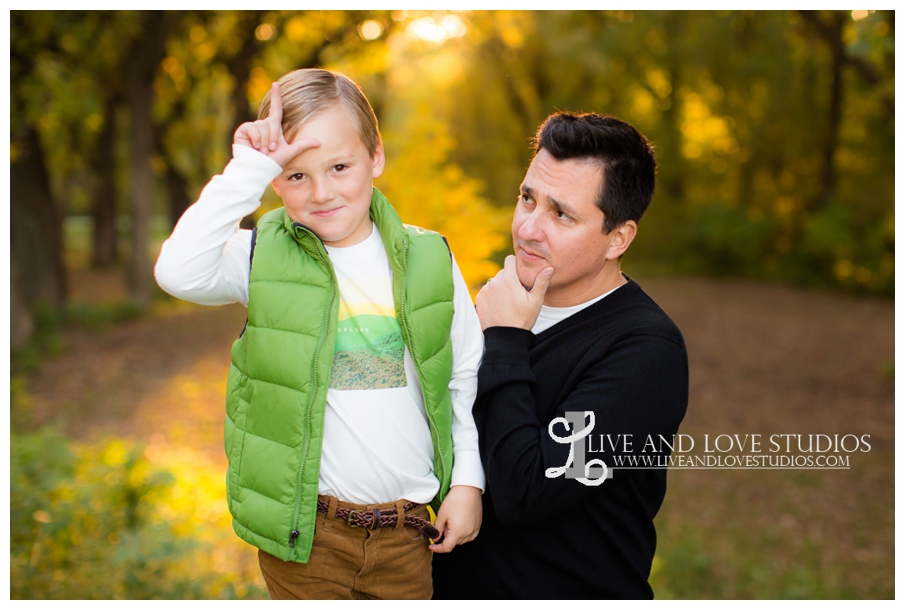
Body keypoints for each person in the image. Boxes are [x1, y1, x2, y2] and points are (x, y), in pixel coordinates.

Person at [154, 68, 484, 600]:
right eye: (295, 175)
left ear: (375, 156)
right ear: (274, 181)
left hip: (406, 535)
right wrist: (249, 169)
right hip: (307, 538)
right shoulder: (262, 254)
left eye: (339, 166)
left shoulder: (430, 258)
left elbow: (462, 375)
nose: (321, 192)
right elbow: (177, 271)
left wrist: (468, 479)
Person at [432, 112, 689, 599]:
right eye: (527, 198)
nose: (528, 228)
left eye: (561, 214)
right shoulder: (484, 307)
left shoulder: (646, 352)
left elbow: (523, 491)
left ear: (619, 238)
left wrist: (506, 339)